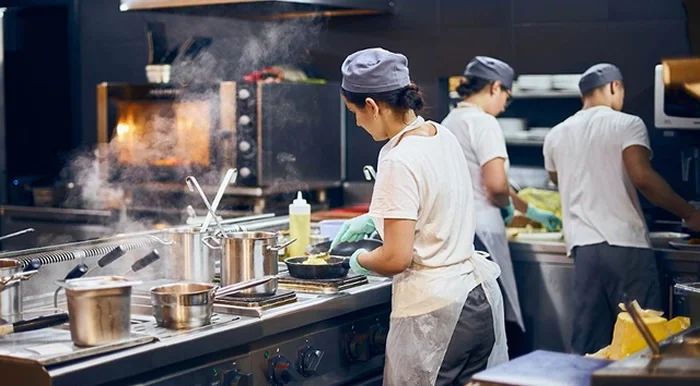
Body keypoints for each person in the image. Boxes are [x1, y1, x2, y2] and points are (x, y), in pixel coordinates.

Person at [332, 47, 508, 385]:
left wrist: (359, 260)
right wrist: (376, 218)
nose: (356, 121)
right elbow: (433, 205)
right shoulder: (441, 134)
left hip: (437, 315)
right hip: (476, 298)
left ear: (372, 106)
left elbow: (396, 258)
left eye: (354, 111)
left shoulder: (398, 157)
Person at [543, 63, 700, 355]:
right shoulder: (626, 123)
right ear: (614, 87)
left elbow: (557, 179)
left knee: (591, 345)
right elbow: (643, 178)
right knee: (641, 338)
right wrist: (690, 214)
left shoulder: (556, 134)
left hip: (584, 249)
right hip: (625, 246)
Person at [441, 56, 562, 346]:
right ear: (495, 87)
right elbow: (495, 185)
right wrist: (510, 206)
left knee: (469, 317)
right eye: (507, 95)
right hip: (483, 231)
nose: (506, 103)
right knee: (496, 316)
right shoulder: (484, 123)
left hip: (455, 230)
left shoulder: (448, 121)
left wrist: (524, 208)